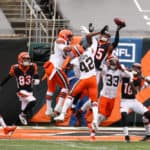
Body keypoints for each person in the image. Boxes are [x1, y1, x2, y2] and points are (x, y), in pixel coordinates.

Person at [89, 56, 133, 140]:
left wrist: (121, 68)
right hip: (104, 96)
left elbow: (128, 75)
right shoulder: (107, 69)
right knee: (100, 114)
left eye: (114, 62)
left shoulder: (119, 71)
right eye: (112, 61)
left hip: (112, 97)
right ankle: (93, 130)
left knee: (106, 116)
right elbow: (100, 66)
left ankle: (95, 124)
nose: (113, 63)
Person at [43, 29, 84, 117]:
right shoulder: (60, 40)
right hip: (55, 67)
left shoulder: (66, 43)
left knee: (50, 89)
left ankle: (48, 109)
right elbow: (66, 48)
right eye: (69, 36)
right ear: (63, 35)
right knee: (66, 86)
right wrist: (75, 47)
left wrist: (79, 50)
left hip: (50, 67)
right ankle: (59, 107)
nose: (70, 38)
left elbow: (72, 55)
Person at [0, 51, 40, 125]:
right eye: (25, 59)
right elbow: (8, 77)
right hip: (21, 91)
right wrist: (1, 85)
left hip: (30, 91)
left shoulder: (33, 66)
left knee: (23, 110)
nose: (27, 61)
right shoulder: (15, 68)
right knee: (33, 101)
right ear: (20, 60)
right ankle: (22, 115)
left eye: (28, 59)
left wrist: (36, 80)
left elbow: (37, 78)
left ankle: (13, 126)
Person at [120, 63, 150, 142]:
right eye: (135, 68)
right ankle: (126, 137)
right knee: (124, 115)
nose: (136, 70)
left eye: (138, 68)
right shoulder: (126, 74)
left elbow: (135, 92)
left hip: (133, 101)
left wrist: (132, 81)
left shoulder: (139, 79)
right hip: (124, 101)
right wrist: (128, 71)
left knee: (147, 115)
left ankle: (148, 135)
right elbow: (122, 67)